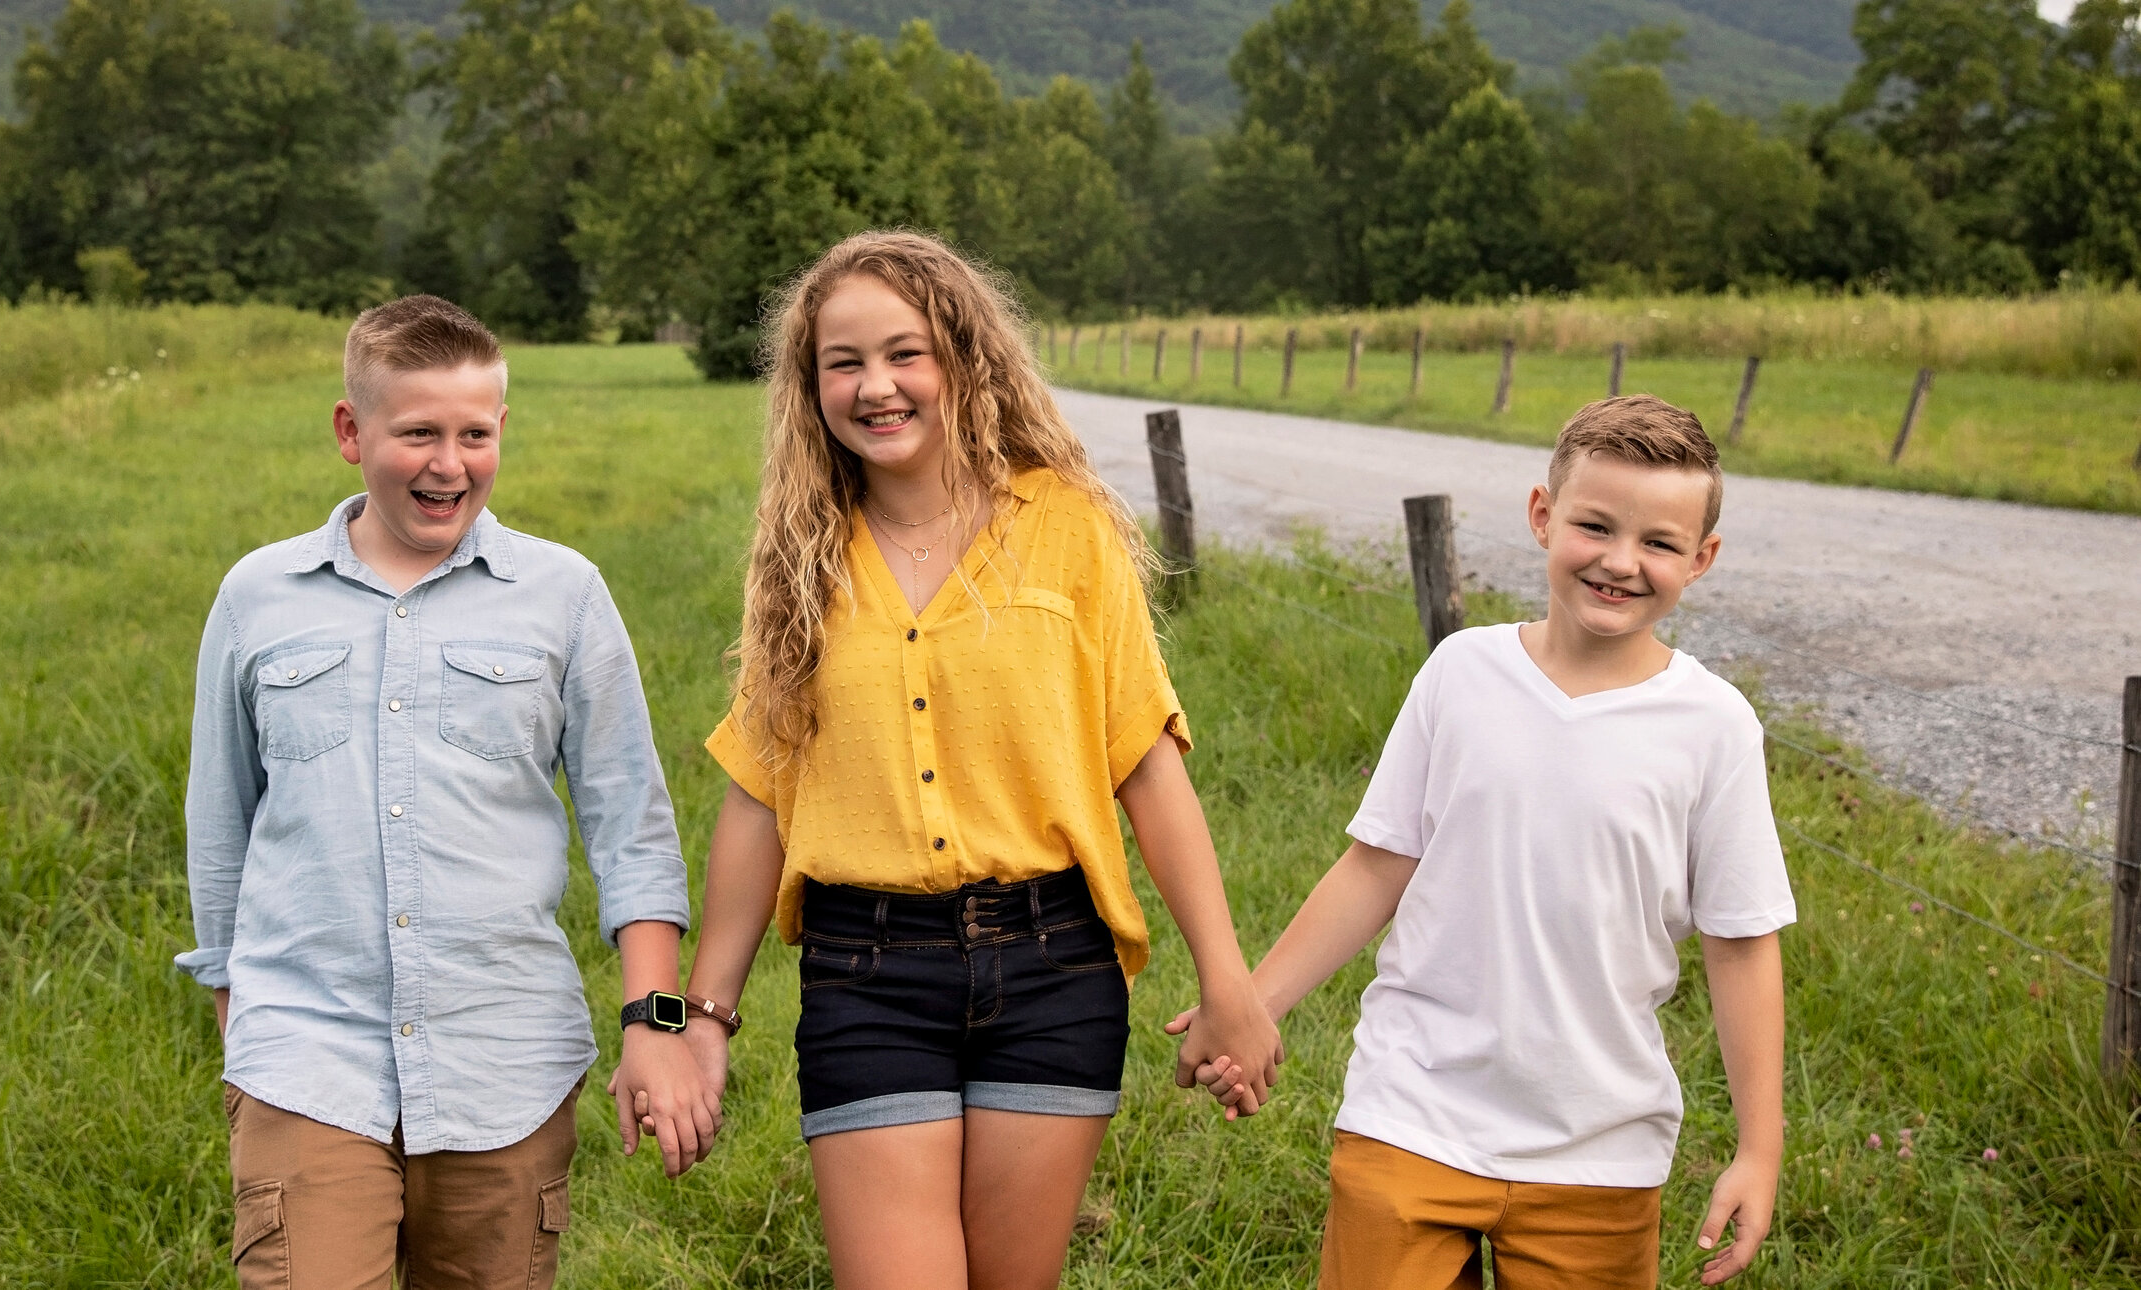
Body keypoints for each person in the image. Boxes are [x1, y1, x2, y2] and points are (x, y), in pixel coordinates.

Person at [672, 231, 1282, 1290]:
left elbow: (1144, 765)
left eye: (904, 354)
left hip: (1053, 970)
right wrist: (702, 1020)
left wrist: (1228, 980)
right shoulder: (802, 556)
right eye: (842, 363)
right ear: (808, 384)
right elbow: (760, 800)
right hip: (869, 976)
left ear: (962, 357)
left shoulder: (1068, 528)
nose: (875, 387)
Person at [1190, 394, 1794, 1289]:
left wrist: (1759, 1148)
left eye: (1660, 544)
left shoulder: (1714, 726)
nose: (1621, 563)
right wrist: (1253, 1006)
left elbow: (1741, 942)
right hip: (1414, 1109)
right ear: (1543, 516)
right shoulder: (1461, 673)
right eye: (1595, 525)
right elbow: (1377, 866)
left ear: (1700, 560)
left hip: (1600, 1148)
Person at [174, 295, 716, 1290]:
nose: (447, 462)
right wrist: (241, 1021)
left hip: (505, 1065)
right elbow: (220, 831)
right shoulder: (258, 595)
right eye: (417, 431)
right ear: (351, 431)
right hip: (305, 1063)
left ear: (501, 431)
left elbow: (633, 831)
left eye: (473, 434)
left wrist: (658, 1027)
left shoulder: (564, 595)